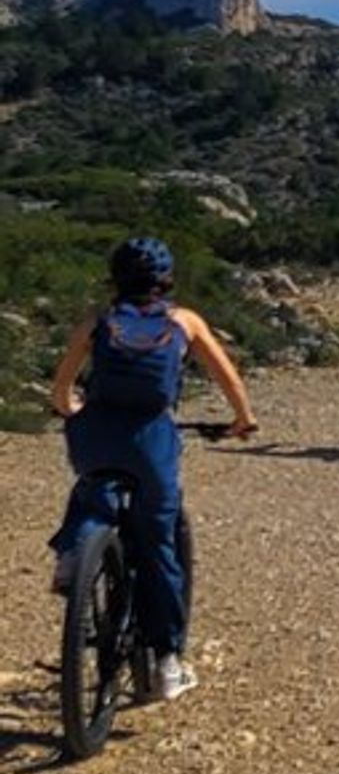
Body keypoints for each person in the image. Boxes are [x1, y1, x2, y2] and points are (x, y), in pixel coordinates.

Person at [48, 237, 259, 703]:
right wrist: (242, 421)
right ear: (166, 279)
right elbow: (230, 379)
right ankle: (167, 662)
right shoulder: (184, 321)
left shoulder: (97, 322)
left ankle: (76, 552)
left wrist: (72, 409)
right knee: (159, 545)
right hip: (151, 443)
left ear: (115, 277)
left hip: (95, 435)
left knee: (91, 490)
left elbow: (62, 387)